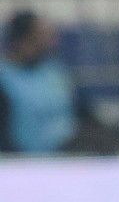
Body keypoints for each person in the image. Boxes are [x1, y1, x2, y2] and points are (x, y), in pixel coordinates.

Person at [0, 10, 78, 154]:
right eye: (43, 35)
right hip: (20, 160)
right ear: (23, 40)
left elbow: (79, 111)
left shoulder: (55, 72)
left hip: (66, 158)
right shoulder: (5, 78)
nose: (52, 42)